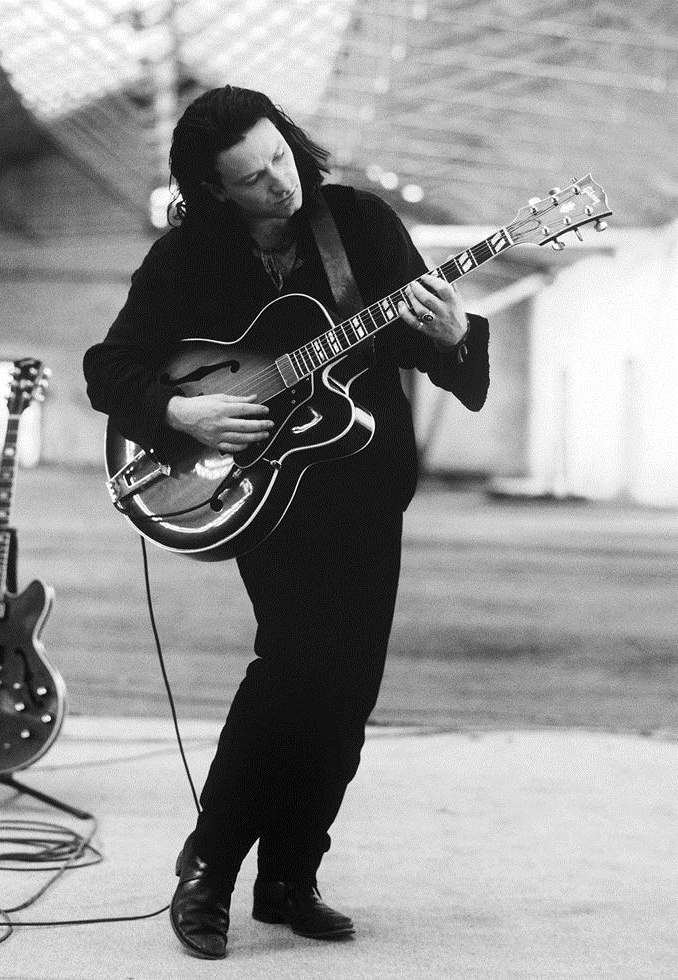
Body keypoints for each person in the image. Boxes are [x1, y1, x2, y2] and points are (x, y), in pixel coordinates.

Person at [83, 85, 489, 960]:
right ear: (213, 192)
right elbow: (109, 367)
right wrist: (181, 416)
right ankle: (211, 867)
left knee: (347, 695)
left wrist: (454, 335)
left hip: (364, 484)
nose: (280, 184)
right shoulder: (185, 260)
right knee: (297, 665)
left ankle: (291, 875)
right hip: (264, 495)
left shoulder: (359, 225)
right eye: (252, 179)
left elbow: (420, 339)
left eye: (279, 157)